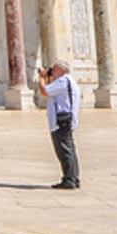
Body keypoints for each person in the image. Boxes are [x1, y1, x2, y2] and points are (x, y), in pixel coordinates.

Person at [38, 60, 81, 190]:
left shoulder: (63, 81)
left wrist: (42, 78)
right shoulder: (67, 81)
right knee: (69, 150)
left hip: (62, 120)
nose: (52, 71)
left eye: (55, 69)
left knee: (64, 150)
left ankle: (69, 179)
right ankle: (73, 177)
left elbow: (45, 91)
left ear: (62, 71)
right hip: (66, 119)